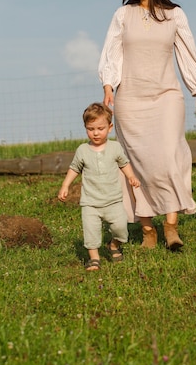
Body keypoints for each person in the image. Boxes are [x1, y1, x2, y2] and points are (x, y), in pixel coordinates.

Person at [98, 0, 196, 250]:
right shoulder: (122, 15)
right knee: (137, 164)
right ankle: (148, 230)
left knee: (170, 158)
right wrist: (109, 86)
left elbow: (188, 52)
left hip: (166, 97)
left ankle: (171, 225)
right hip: (130, 99)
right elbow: (112, 52)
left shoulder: (175, 15)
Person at [57, 102, 140, 271]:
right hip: (90, 202)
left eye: (100, 128)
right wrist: (65, 185)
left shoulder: (115, 147)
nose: (95, 133)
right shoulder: (82, 150)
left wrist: (131, 176)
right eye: (90, 128)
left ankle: (114, 245)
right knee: (91, 231)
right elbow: (74, 168)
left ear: (109, 128)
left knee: (121, 228)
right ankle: (94, 259)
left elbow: (124, 163)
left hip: (113, 200)